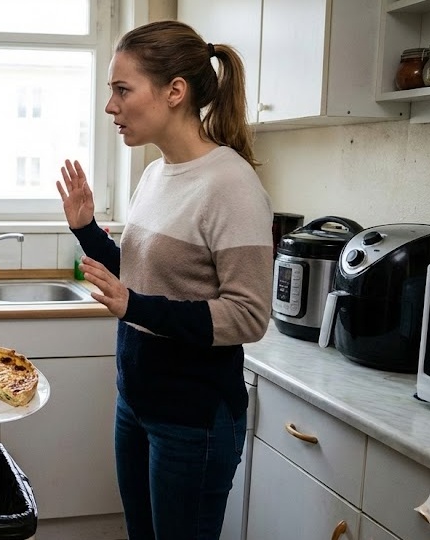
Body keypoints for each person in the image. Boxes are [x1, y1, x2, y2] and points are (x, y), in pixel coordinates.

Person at [55, 21, 273, 539]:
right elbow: (140, 275)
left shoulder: (231, 184)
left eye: (122, 89)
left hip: (193, 417)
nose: (111, 106)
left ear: (175, 92)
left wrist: (135, 306)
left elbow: (248, 315)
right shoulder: (155, 175)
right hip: (136, 401)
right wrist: (86, 229)